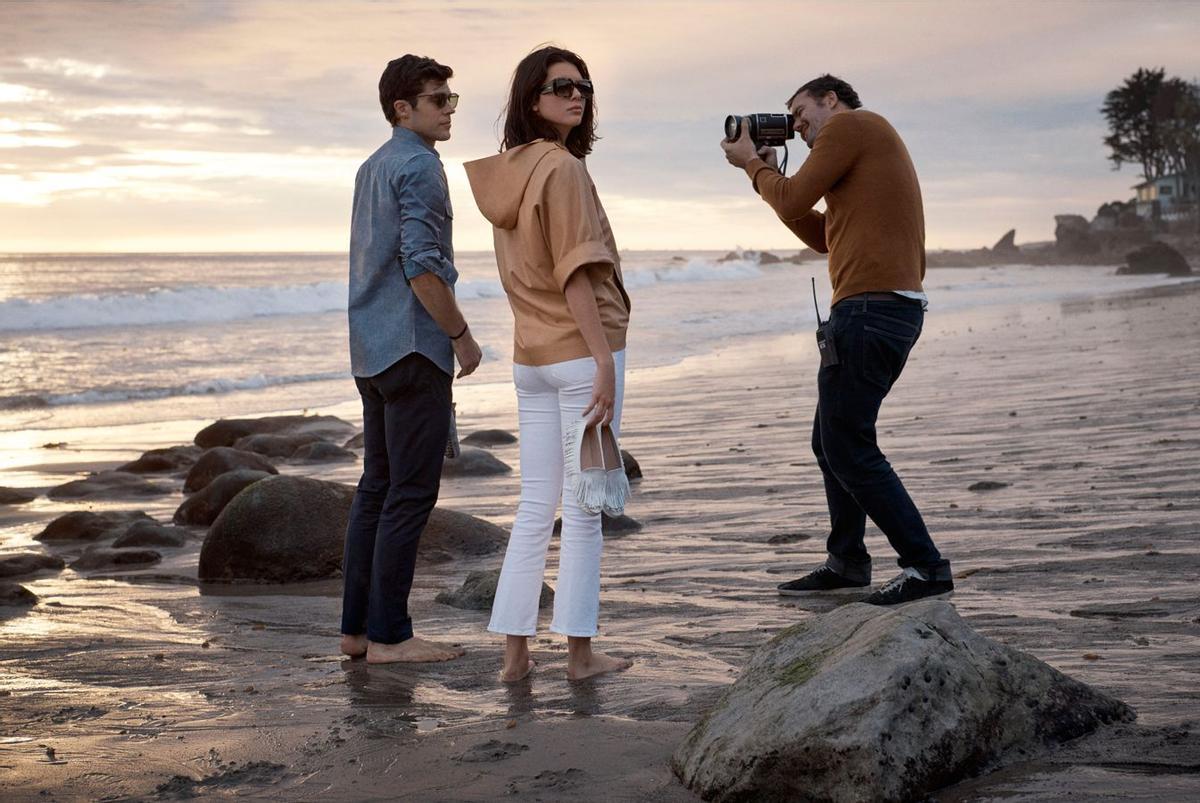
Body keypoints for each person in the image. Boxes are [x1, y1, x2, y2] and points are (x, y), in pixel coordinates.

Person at [720, 74, 953, 605]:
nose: (797, 125)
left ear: (832, 99)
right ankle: (846, 562)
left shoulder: (851, 125)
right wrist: (766, 176)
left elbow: (797, 193)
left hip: (871, 310)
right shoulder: (863, 144)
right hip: (880, 309)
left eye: (802, 112)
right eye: (791, 119)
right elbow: (824, 234)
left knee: (848, 445)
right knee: (831, 442)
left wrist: (754, 168)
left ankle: (926, 566)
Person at [465, 45, 633, 681]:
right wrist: (604, 364)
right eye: (562, 86)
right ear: (531, 99)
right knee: (585, 504)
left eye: (585, 86)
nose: (577, 95)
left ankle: (514, 656)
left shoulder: (509, 175)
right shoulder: (561, 169)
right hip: (580, 351)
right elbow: (574, 274)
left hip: (530, 357)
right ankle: (581, 656)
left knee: (536, 504)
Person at [341, 54, 482, 663]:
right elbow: (422, 266)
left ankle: (356, 633)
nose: (450, 109)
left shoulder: (372, 166)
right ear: (404, 108)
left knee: (376, 489)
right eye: (439, 99)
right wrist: (461, 334)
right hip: (414, 346)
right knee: (410, 494)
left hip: (370, 351)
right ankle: (392, 637)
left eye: (452, 98)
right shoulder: (420, 166)